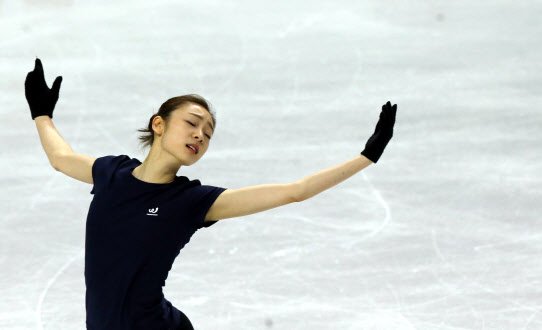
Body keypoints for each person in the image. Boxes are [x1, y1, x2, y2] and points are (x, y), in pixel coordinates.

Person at [25, 57, 397, 329]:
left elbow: (294, 192)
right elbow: (61, 158)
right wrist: (42, 114)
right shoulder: (112, 173)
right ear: (159, 124)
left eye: (208, 132)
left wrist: (367, 157)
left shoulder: (192, 203)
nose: (200, 135)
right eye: (191, 123)